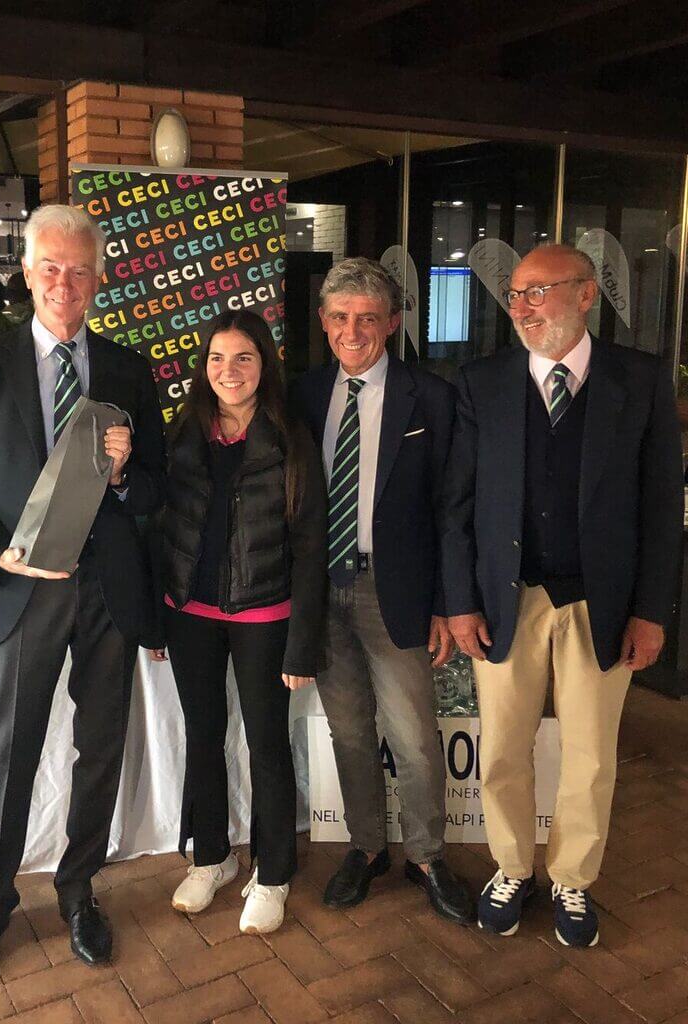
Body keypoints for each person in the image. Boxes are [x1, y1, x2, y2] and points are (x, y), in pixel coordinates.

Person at [0, 204, 165, 985]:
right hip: (22, 591)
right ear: (27, 274)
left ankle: (78, 889)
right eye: (51, 268)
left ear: (98, 280)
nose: (66, 283)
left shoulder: (129, 370)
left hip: (109, 592)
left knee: (100, 748)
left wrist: (126, 474)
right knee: (11, 751)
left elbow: (157, 488)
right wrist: (1, 554)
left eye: (80, 270)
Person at [443, 244, 683, 947]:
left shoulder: (639, 380)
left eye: (537, 292)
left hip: (601, 602)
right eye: (515, 295)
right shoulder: (483, 382)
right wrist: (460, 601)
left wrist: (651, 612)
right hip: (506, 599)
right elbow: (457, 505)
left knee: (591, 754)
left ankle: (572, 878)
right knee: (502, 748)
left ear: (585, 295)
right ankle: (513, 867)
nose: (521, 308)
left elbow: (660, 505)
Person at [292, 257, 475, 924]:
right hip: (321, 590)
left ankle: (426, 856)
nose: (353, 331)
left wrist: (445, 604)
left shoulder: (431, 397)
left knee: (415, 739)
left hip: (394, 593)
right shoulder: (302, 394)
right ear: (323, 321)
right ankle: (367, 848)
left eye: (368, 318)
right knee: (348, 732)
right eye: (340, 317)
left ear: (392, 322)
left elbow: (450, 508)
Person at [154, 309, 326, 934]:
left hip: (266, 614)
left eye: (244, 358)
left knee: (266, 744)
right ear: (204, 366)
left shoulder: (290, 436)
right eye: (218, 359)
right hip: (190, 615)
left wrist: (302, 644)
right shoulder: (182, 433)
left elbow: (310, 544)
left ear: (265, 365)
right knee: (203, 737)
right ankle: (211, 857)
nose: (230, 371)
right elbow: (160, 524)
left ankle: (273, 872)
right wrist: (158, 616)